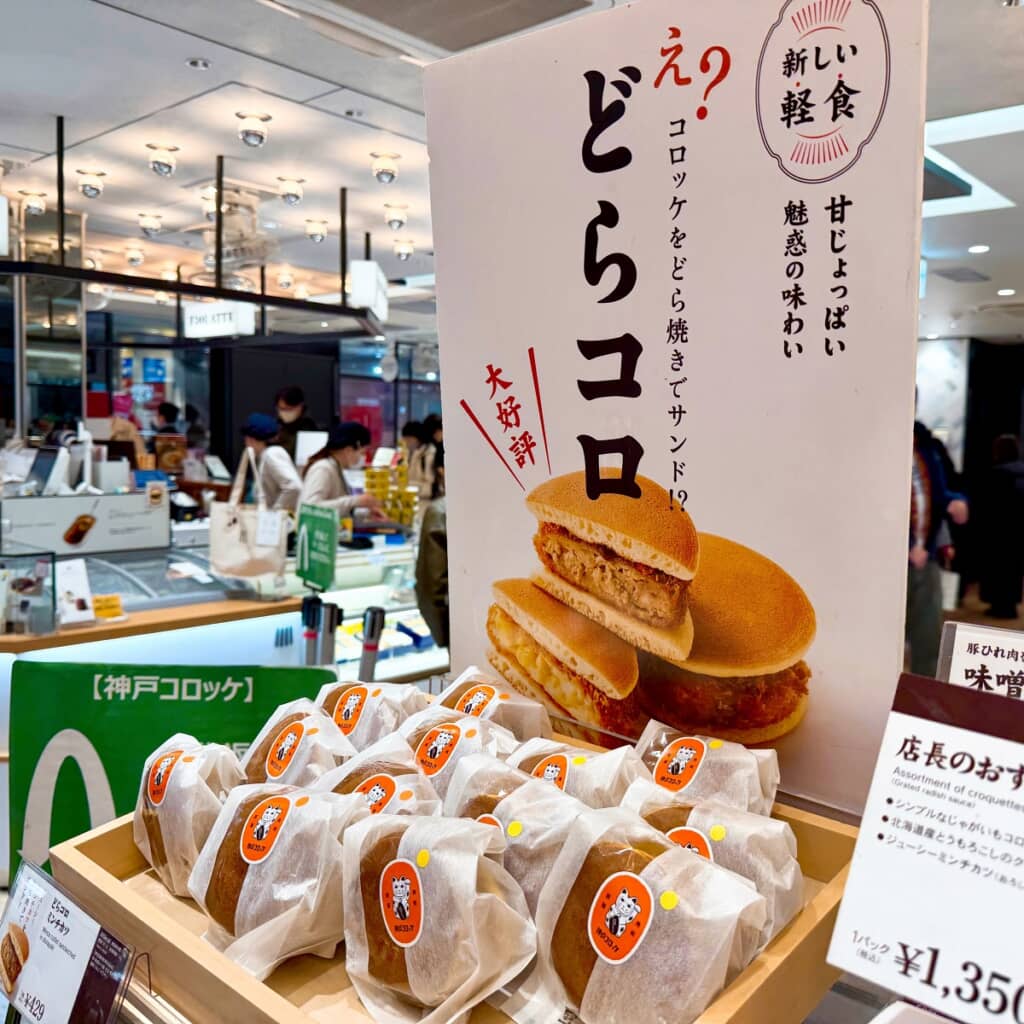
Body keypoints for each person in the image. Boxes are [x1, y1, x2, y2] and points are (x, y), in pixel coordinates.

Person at [907, 419, 969, 676]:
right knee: (884, 633)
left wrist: (956, 502)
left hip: (926, 556)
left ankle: (922, 693)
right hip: (889, 563)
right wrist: (907, 546)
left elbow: (939, 494)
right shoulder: (878, 453)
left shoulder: (928, 451)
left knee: (929, 631)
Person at [977, 434, 1024, 619]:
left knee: (997, 568)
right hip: (1018, 529)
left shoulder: (996, 474)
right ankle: (1010, 605)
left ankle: (999, 605)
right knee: (1014, 569)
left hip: (998, 530)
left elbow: (988, 505)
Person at [299, 422, 383, 517]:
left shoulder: (335, 468)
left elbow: (337, 510)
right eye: (362, 453)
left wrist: (367, 513)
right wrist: (356, 501)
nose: (363, 458)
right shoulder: (323, 469)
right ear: (348, 450)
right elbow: (309, 508)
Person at [240, 413, 302, 513]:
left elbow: (294, 487)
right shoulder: (265, 455)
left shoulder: (271, 454)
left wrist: (274, 513)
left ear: (251, 439)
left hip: (276, 520)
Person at [415, 496, 449, 648]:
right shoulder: (512, 500)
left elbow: (431, 586)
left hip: (462, 629)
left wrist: (444, 636)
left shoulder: (441, 510)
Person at [275, 386, 319, 462]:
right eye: (281, 409)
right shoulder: (275, 427)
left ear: (300, 407)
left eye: (288, 409)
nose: (284, 412)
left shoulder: (310, 429)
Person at [402, 421, 436, 500]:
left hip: (425, 499)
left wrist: (408, 487)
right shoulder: (411, 453)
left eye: (409, 440)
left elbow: (429, 483)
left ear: (418, 438)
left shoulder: (429, 454)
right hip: (413, 497)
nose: (406, 443)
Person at [422, 413, 445, 498]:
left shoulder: (444, 446)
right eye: (434, 432)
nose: (438, 434)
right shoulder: (431, 448)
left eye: (440, 430)